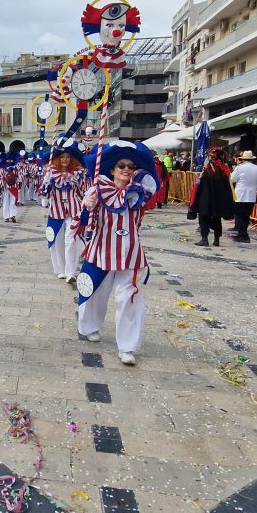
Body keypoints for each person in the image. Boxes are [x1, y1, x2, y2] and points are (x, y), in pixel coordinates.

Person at [74, 140, 158, 366]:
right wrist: (88, 207)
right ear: (112, 169)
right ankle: (90, 326)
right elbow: (84, 222)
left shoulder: (141, 191)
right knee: (96, 293)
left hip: (130, 253)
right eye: (121, 166)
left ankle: (127, 347)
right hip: (101, 251)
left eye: (130, 166)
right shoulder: (97, 189)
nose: (126, 170)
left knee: (128, 298)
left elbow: (141, 212)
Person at [42, 144, 87, 283]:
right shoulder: (51, 173)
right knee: (57, 241)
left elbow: (82, 192)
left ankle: (71, 272)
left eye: (68, 156)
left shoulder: (78, 173)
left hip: (74, 211)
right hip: (56, 212)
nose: (65, 159)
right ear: (57, 158)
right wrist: (46, 182)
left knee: (71, 239)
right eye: (62, 156)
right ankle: (61, 270)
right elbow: (44, 195)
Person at [188, 149, 234, 247]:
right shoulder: (224, 172)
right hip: (218, 200)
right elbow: (228, 189)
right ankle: (216, 240)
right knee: (217, 219)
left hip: (205, 199)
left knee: (204, 218)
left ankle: (204, 239)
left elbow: (198, 187)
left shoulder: (206, 172)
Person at [230, 150, 257, 243]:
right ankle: (244, 234)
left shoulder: (240, 168)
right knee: (246, 216)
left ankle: (242, 234)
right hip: (251, 195)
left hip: (240, 195)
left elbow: (232, 179)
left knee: (239, 216)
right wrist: (254, 187)